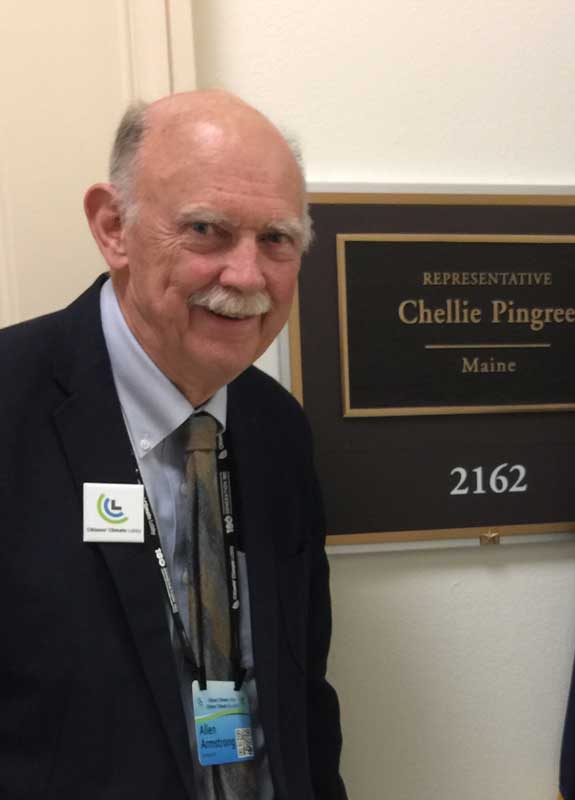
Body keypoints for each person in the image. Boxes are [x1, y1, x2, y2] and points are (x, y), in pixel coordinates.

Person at [0, 90, 347, 799]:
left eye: (276, 239)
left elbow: (303, 690)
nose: (246, 276)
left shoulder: (277, 428)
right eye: (207, 230)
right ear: (113, 226)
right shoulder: (11, 405)